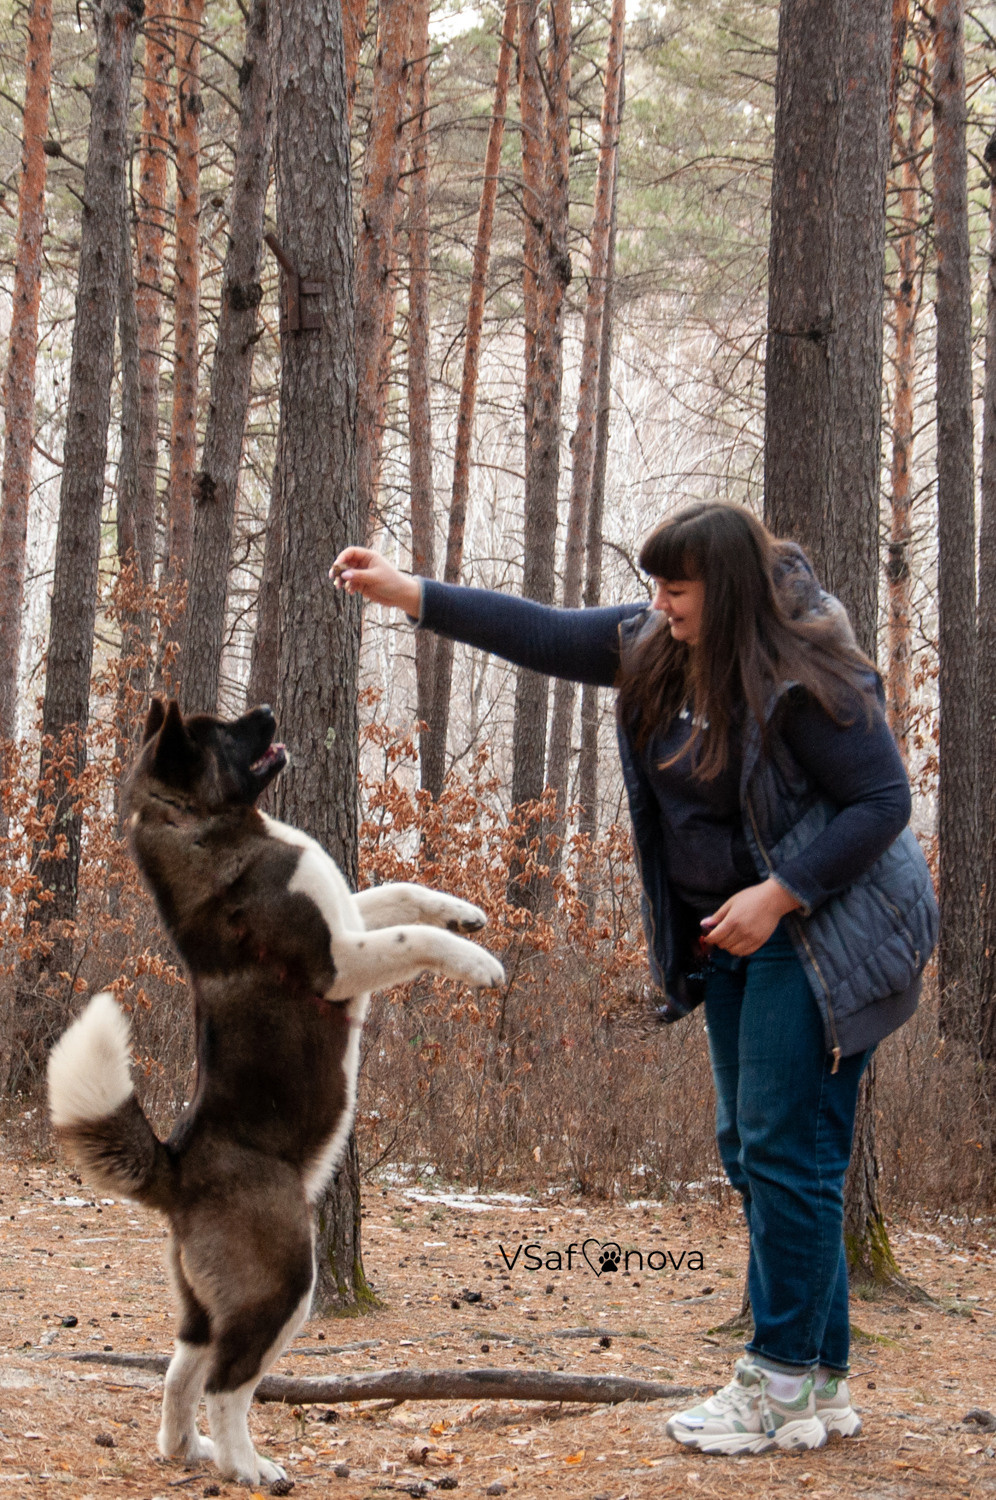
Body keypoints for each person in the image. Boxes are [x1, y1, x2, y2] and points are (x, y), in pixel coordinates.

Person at [330, 501, 937, 1457]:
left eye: (678, 591)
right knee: (757, 1149)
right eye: (653, 588)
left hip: (825, 929)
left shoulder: (805, 676)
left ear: (726, 592)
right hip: (737, 934)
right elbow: (542, 631)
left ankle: (777, 1380)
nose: (659, 606)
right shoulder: (659, 644)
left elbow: (884, 801)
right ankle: (815, 1381)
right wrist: (411, 594)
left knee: (789, 1152)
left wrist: (778, 895)